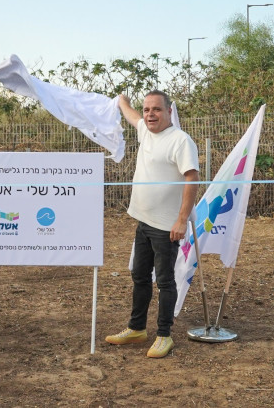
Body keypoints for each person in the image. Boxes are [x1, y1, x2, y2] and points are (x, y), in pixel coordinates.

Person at [105, 90, 199, 358]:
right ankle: (136, 329)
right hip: (143, 221)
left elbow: (192, 179)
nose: (149, 114)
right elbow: (131, 115)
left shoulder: (181, 141)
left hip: (166, 226)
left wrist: (182, 220)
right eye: (147, 109)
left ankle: (164, 335)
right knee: (139, 275)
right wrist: (122, 101)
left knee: (166, 281)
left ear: (169, 111)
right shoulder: (145, 132)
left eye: (156, 109)